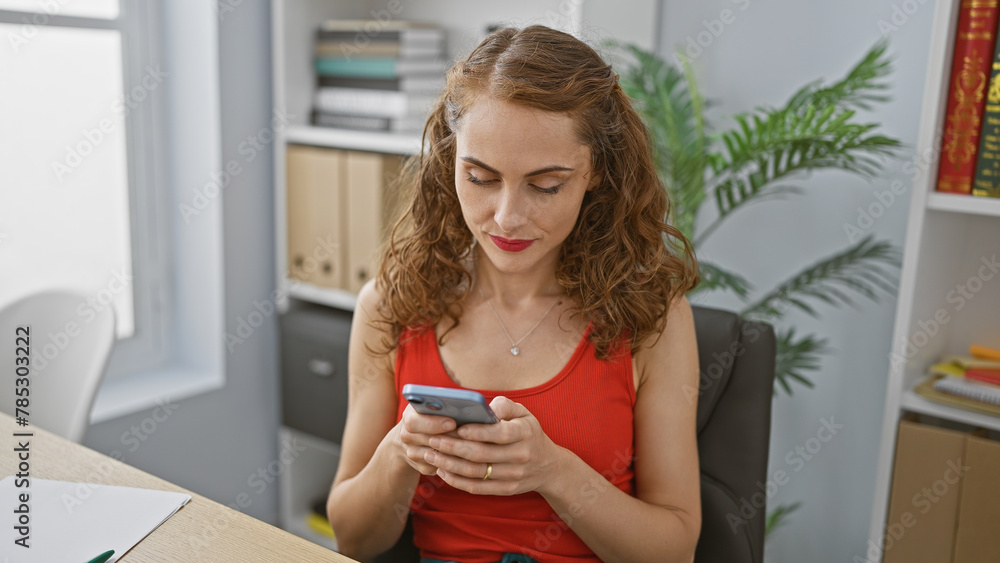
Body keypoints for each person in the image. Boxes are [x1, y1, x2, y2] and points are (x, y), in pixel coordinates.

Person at [327, 24, 701, 563]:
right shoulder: (389, 306)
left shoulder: (654, 318)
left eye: (546, 185)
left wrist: (552, 470)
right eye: (480, 177)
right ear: (450, 163)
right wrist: (401, 452)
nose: (507, 217)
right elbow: (352, 540)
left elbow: (674, 552)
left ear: (596, 172)